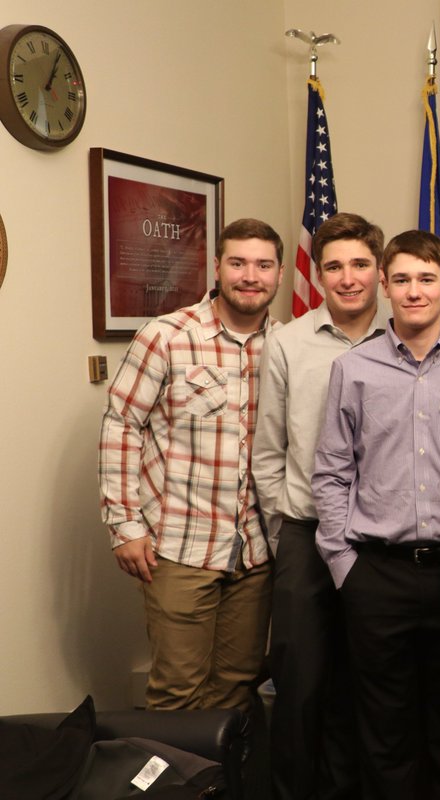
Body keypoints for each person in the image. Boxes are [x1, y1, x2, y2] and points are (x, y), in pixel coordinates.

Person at [311, 230, 440, 800]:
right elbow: (331, 470)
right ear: (384, 289)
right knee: (384, 727)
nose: (413, 291)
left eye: (425, 279)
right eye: (401, 280)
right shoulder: (354, 368)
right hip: (377, 574)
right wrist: (346, 566)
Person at [99, 218, 285, 711]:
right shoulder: (167, 336)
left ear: (280, 274)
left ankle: (222, 788)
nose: (251, 275)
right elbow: (121, 424)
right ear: (217, 267)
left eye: (263, 265)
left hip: (255, 553)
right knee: (177, 694)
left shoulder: (287, 347)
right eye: (239, 263)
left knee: (237, 690)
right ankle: (178, 789)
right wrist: (124, 524)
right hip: (179, 547)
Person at [254, 213, 389, 800]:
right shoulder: (287, 342)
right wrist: (286, 533)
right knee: (301, 686)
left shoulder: (405, 334)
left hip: (382, 547)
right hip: (306, 540)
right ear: (318, 272)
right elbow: (269, 451)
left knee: (367, 685)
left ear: (380, 272)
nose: (348, 278)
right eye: (334, 266)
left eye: (361, 264)